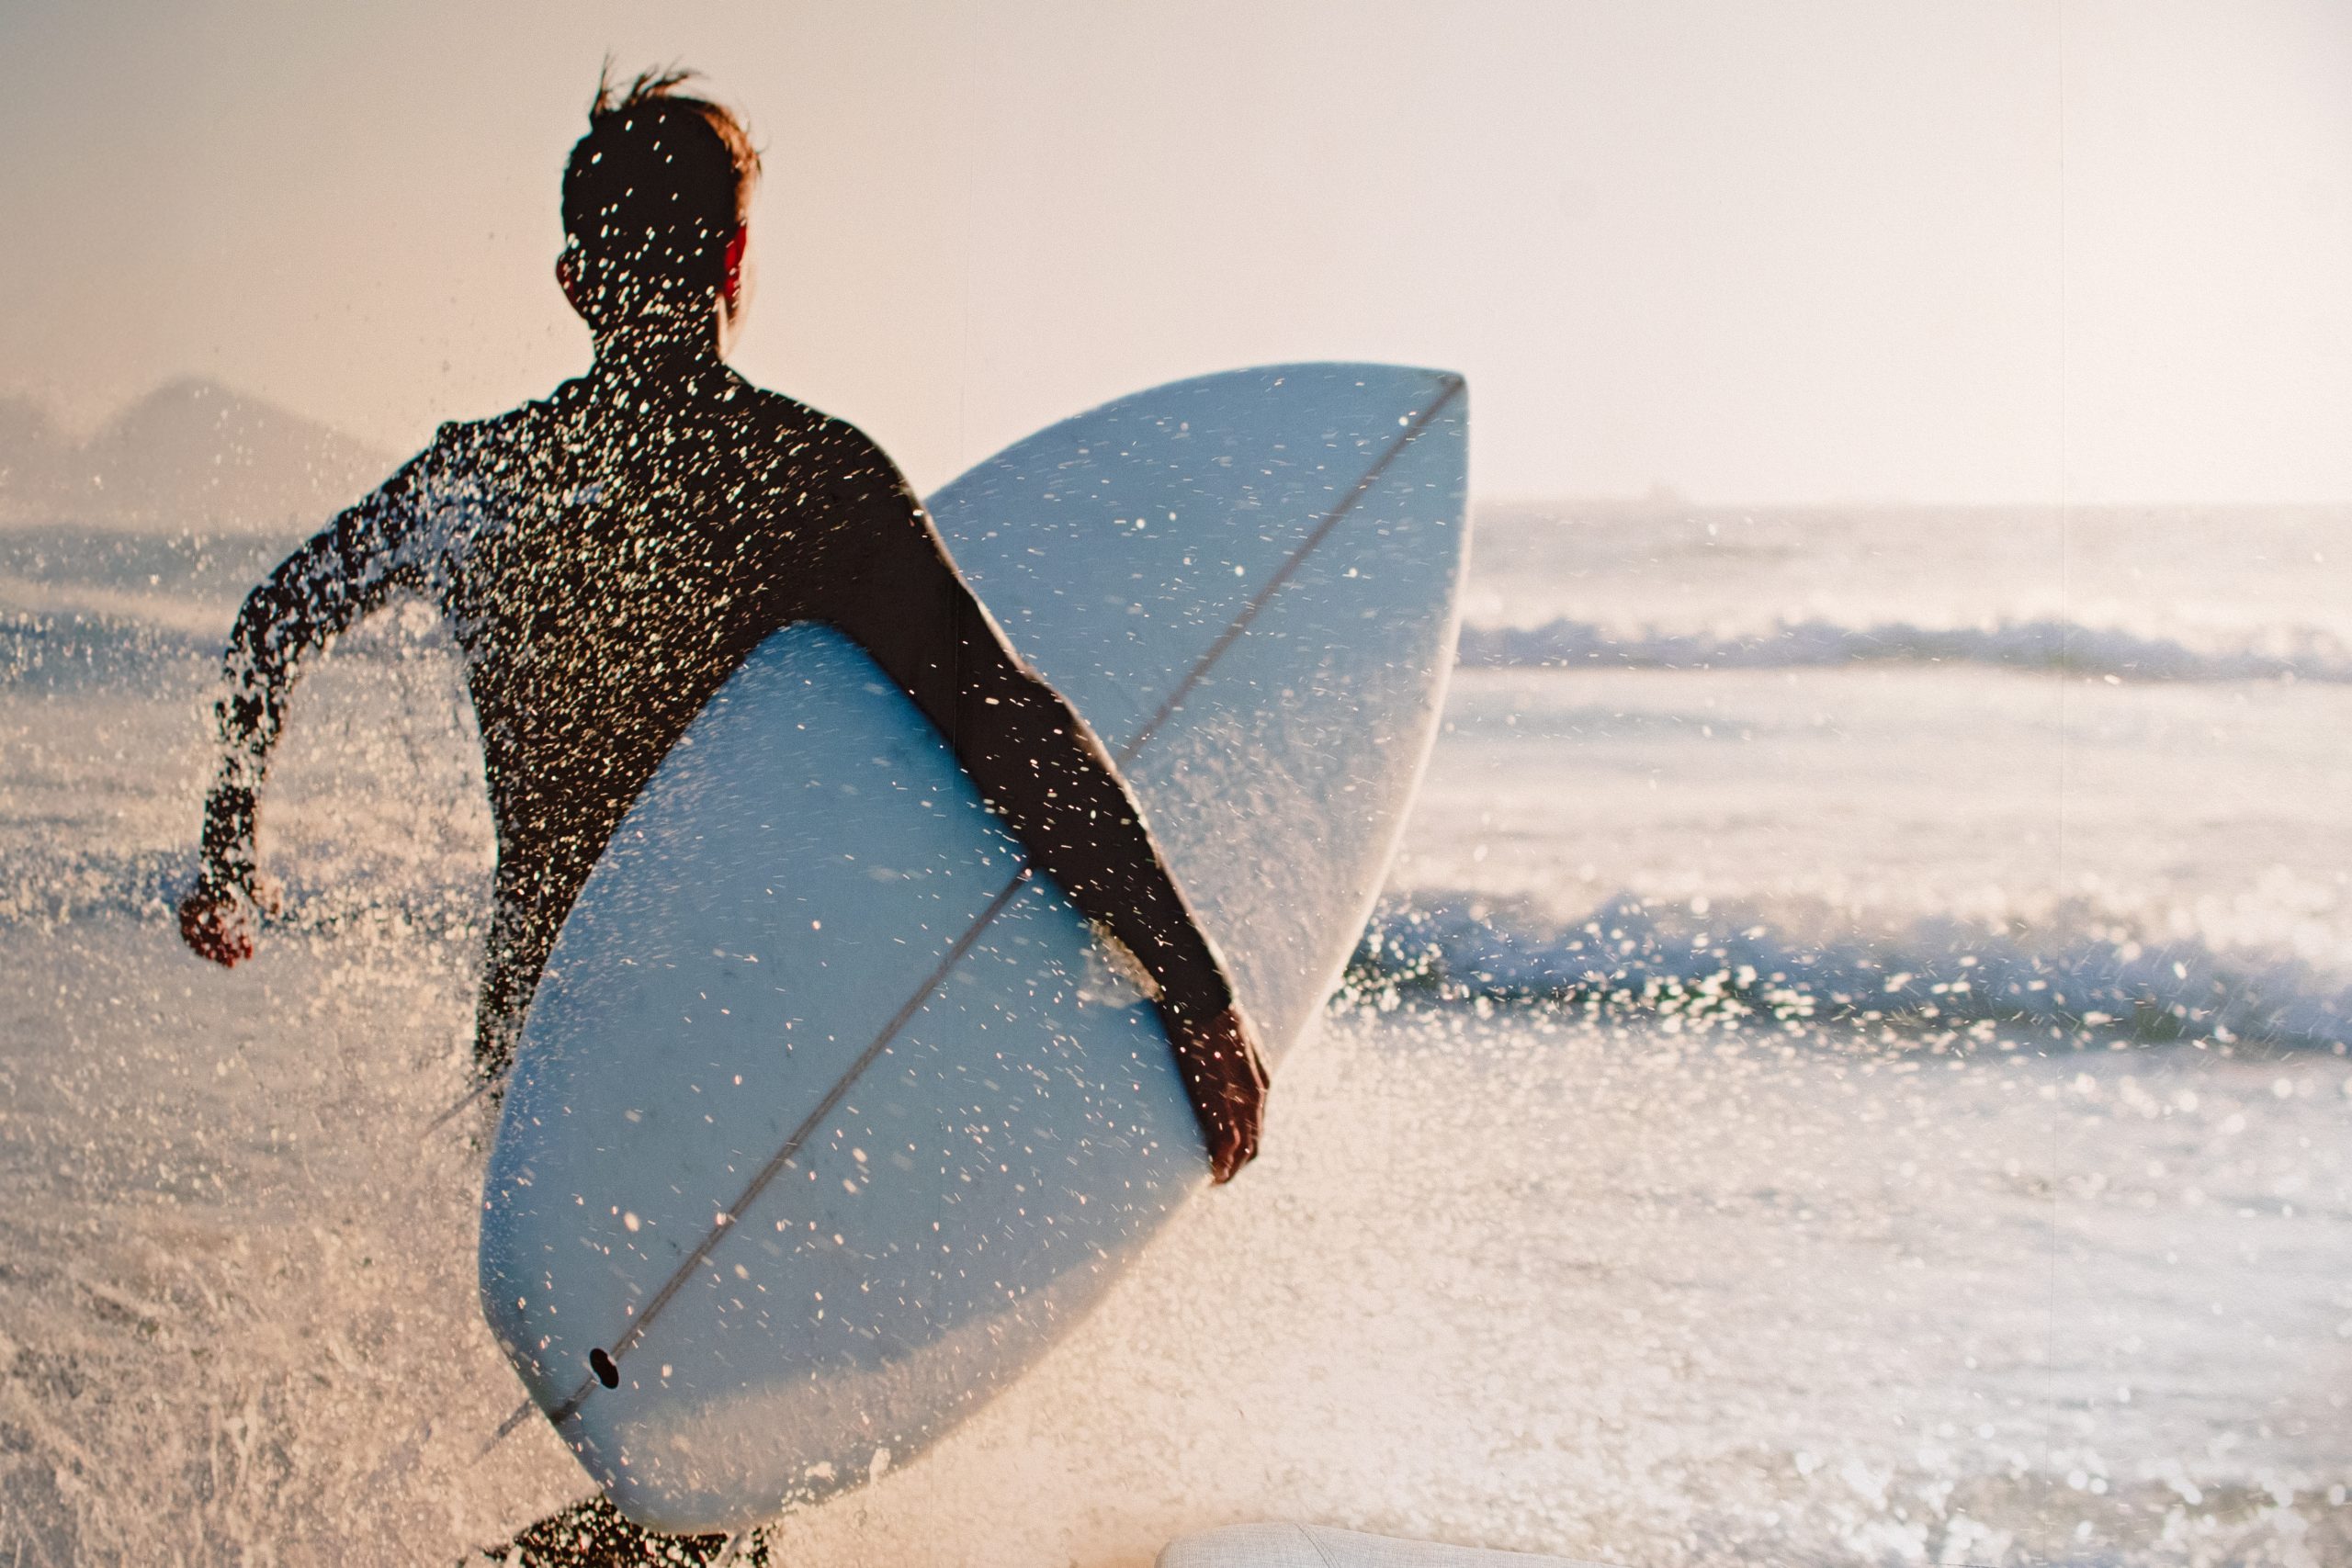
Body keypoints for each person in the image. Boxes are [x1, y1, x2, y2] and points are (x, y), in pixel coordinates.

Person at [176, 66, 1268, 1567]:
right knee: (706, 1475)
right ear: (736, 263)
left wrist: (232, 854)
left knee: (672, 1459)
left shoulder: (483, 478)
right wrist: (1190, 982)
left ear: (572, 280)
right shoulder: (801, 477)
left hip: (541, 1044)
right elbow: (999, 721)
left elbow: (272, 622)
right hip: (742, 1036)